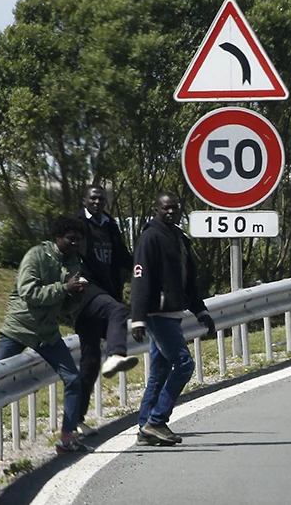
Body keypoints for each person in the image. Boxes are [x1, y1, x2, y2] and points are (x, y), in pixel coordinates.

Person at [0, 216, 93, 453]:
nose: (75, 244)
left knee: (73, 379)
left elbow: (64, 307)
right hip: (19, 329)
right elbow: (29, 293)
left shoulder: (73, 264)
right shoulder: (36, 256)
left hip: (47, 333)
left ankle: (67, 439)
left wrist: (76, 296)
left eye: (79, 240)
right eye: (71, 239)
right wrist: (63, 288)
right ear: (58, 237)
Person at [129, 191, 216, 447]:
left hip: (174, 313)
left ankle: (146, 426)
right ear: (156, 208)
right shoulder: (150, 237)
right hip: (158, 315)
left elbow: (189, 280)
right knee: (184, 364)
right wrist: (138, 318)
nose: (170, 212)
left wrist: (200, 311)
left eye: (175, 208)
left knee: (159, 371)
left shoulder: (179, 238)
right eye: (165, 208)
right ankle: (157, 420)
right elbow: (140, 279)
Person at [74, 185, 140, 437]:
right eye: (93, 198)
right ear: (84, 200)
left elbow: (122, 256)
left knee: (89, 362)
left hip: (106, 292)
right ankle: (115, 354)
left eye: (101, 198)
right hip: (86, 291)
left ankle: (75, 420)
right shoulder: (77, 222)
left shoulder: (110, 225)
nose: (97, 201)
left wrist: (141, 267)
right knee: (118, 310)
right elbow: (64, 247)